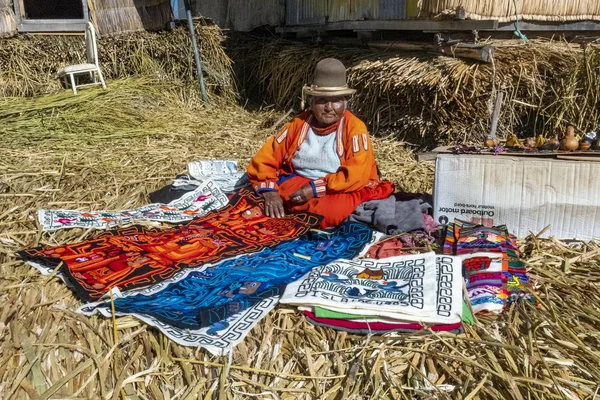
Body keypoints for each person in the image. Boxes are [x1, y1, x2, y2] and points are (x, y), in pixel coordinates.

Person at [247, 58, 394, 228]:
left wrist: (315, 188)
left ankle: (299, 211)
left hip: (338, 188)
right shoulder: (298, 124)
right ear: (311, 102)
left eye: (336, 101)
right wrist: (270, 193)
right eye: (322, 101)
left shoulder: (355, 128)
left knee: (332, 213)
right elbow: (266, 159)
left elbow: (356, 175)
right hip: (300, 182)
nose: (329, 107)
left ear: (345, 103)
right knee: (271, 197)